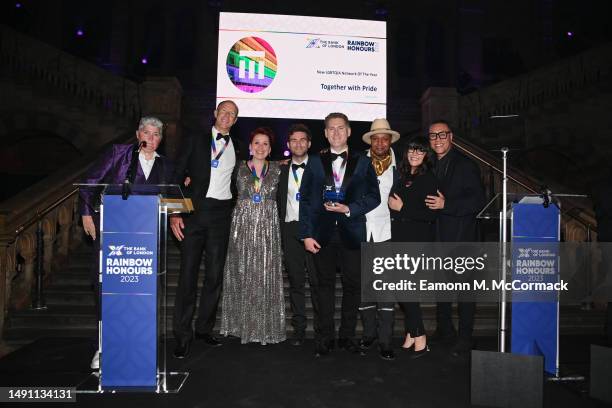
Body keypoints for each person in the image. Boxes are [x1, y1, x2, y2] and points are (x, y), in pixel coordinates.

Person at [79, 116, 172, 369]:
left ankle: (137, 345)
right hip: (113, 235)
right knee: (107, 291)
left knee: (140, 292)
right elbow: (90, 182)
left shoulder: (165, 166)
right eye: (147, 133)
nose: (150, 139)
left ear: (160, 140)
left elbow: (169, 198)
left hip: (145, 240)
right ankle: (103, 347)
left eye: (156, 135)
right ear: (137, 134)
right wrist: (86, 213)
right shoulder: (119, 154)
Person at [170, 100, 247, 358]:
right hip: (193, 213)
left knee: (214, 276)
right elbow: (176, 175)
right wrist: (175, 212)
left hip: (221, 215)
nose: (227, 116)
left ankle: (204, 329)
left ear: (235, 120)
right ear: (215, 114)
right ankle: (182, 335)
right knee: (188, 276)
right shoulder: (195, 139)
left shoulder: (238, 146)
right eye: (223, 112)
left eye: (232, 114)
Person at [299, 112, 381, 356]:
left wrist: (350, 209)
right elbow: (305, 200)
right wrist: (306, 234)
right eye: (331, 129)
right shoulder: (314, 162)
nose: (335, 133)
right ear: (325, 133)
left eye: (340, 128)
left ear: (349, 131)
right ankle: (324, 337)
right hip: (321, 235)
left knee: (353, 287)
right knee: (322, 287)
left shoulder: (364, 162)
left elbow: (374, 197)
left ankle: (346, 336)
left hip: (352, 232)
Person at [425, 120, 485, 357]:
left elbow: (478, 201)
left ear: (451, 137)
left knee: (465, 291)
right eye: (433, 135)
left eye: (442, 134)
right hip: (438, 236)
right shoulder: (430, 165)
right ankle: (445, 329)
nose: (437, 139)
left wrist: (446, 204)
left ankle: (465, 338)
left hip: (462, 238)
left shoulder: (465, 165)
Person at [220, 127, 285, 344]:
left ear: (270, 148)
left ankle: (265, 329)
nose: (260, 147)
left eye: (265, 143)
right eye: (256, 142)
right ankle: (241, 326)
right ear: (249, 146)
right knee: (242, 273)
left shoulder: (278, 168)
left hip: (268, 227)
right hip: (242, 226)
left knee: (265, 275)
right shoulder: (237, 167)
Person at [388, 136, 439, 359]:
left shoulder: (429, 178)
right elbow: (393, 204)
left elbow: (430, 214)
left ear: (426, 155)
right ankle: (410, 332)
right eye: (411, 150)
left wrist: (402, 208)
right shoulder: (403, 176)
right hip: (400, 237)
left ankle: (420, 336)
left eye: (420, 151)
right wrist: (396, 208)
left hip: (417, 239)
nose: (414, 154)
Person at [357, 118, 401, 360]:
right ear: (371, 141)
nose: (381, 142)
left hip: (389, 233)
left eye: (385, 138)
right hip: (362, 231)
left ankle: (385, 341)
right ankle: (369, 335)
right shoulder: (358, 163)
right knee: (366, 288)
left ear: (390, 141)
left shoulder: (401, 166)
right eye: (376, 138)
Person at [277, 124, 317, 346]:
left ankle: (322, 330)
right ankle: (299, 329)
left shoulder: (321, 168)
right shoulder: (281, 169)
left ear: (309, 144)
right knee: (296, 282)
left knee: (318, 281)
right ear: (289, 144)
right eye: (294, 140)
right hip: (290, 229)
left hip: (314, 229)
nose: (298, 144)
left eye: (303, 140)